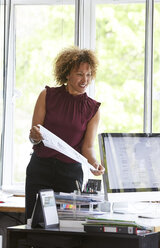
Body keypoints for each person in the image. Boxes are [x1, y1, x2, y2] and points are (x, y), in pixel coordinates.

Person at [25, 46, 105, 219]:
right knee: (33, 225)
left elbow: (88, 148)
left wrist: (94, 164)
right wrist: (35, 137)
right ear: (67, 74)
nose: (85, 79)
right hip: (40, 169)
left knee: (65, 227)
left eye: (89, 74)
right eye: (79, 74)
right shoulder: (47, 95)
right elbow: (33, 135)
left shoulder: (93, 109)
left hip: (70, 174)